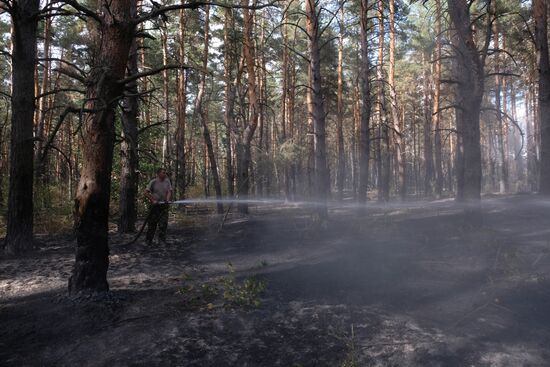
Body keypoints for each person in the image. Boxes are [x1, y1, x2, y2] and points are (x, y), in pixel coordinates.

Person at [144, 168, 172, 245]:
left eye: (165, 172)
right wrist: (153, 200)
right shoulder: (153, 182)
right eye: (163, 172)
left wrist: (167, 199)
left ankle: (162, 241)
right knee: (152, 224)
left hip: (164, 207)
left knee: (163, 224)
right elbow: (146, 193)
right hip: (154, 207)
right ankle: (148, 240)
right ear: (158, 174)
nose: (165, 174)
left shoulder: (167, 181)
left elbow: (169, 191)